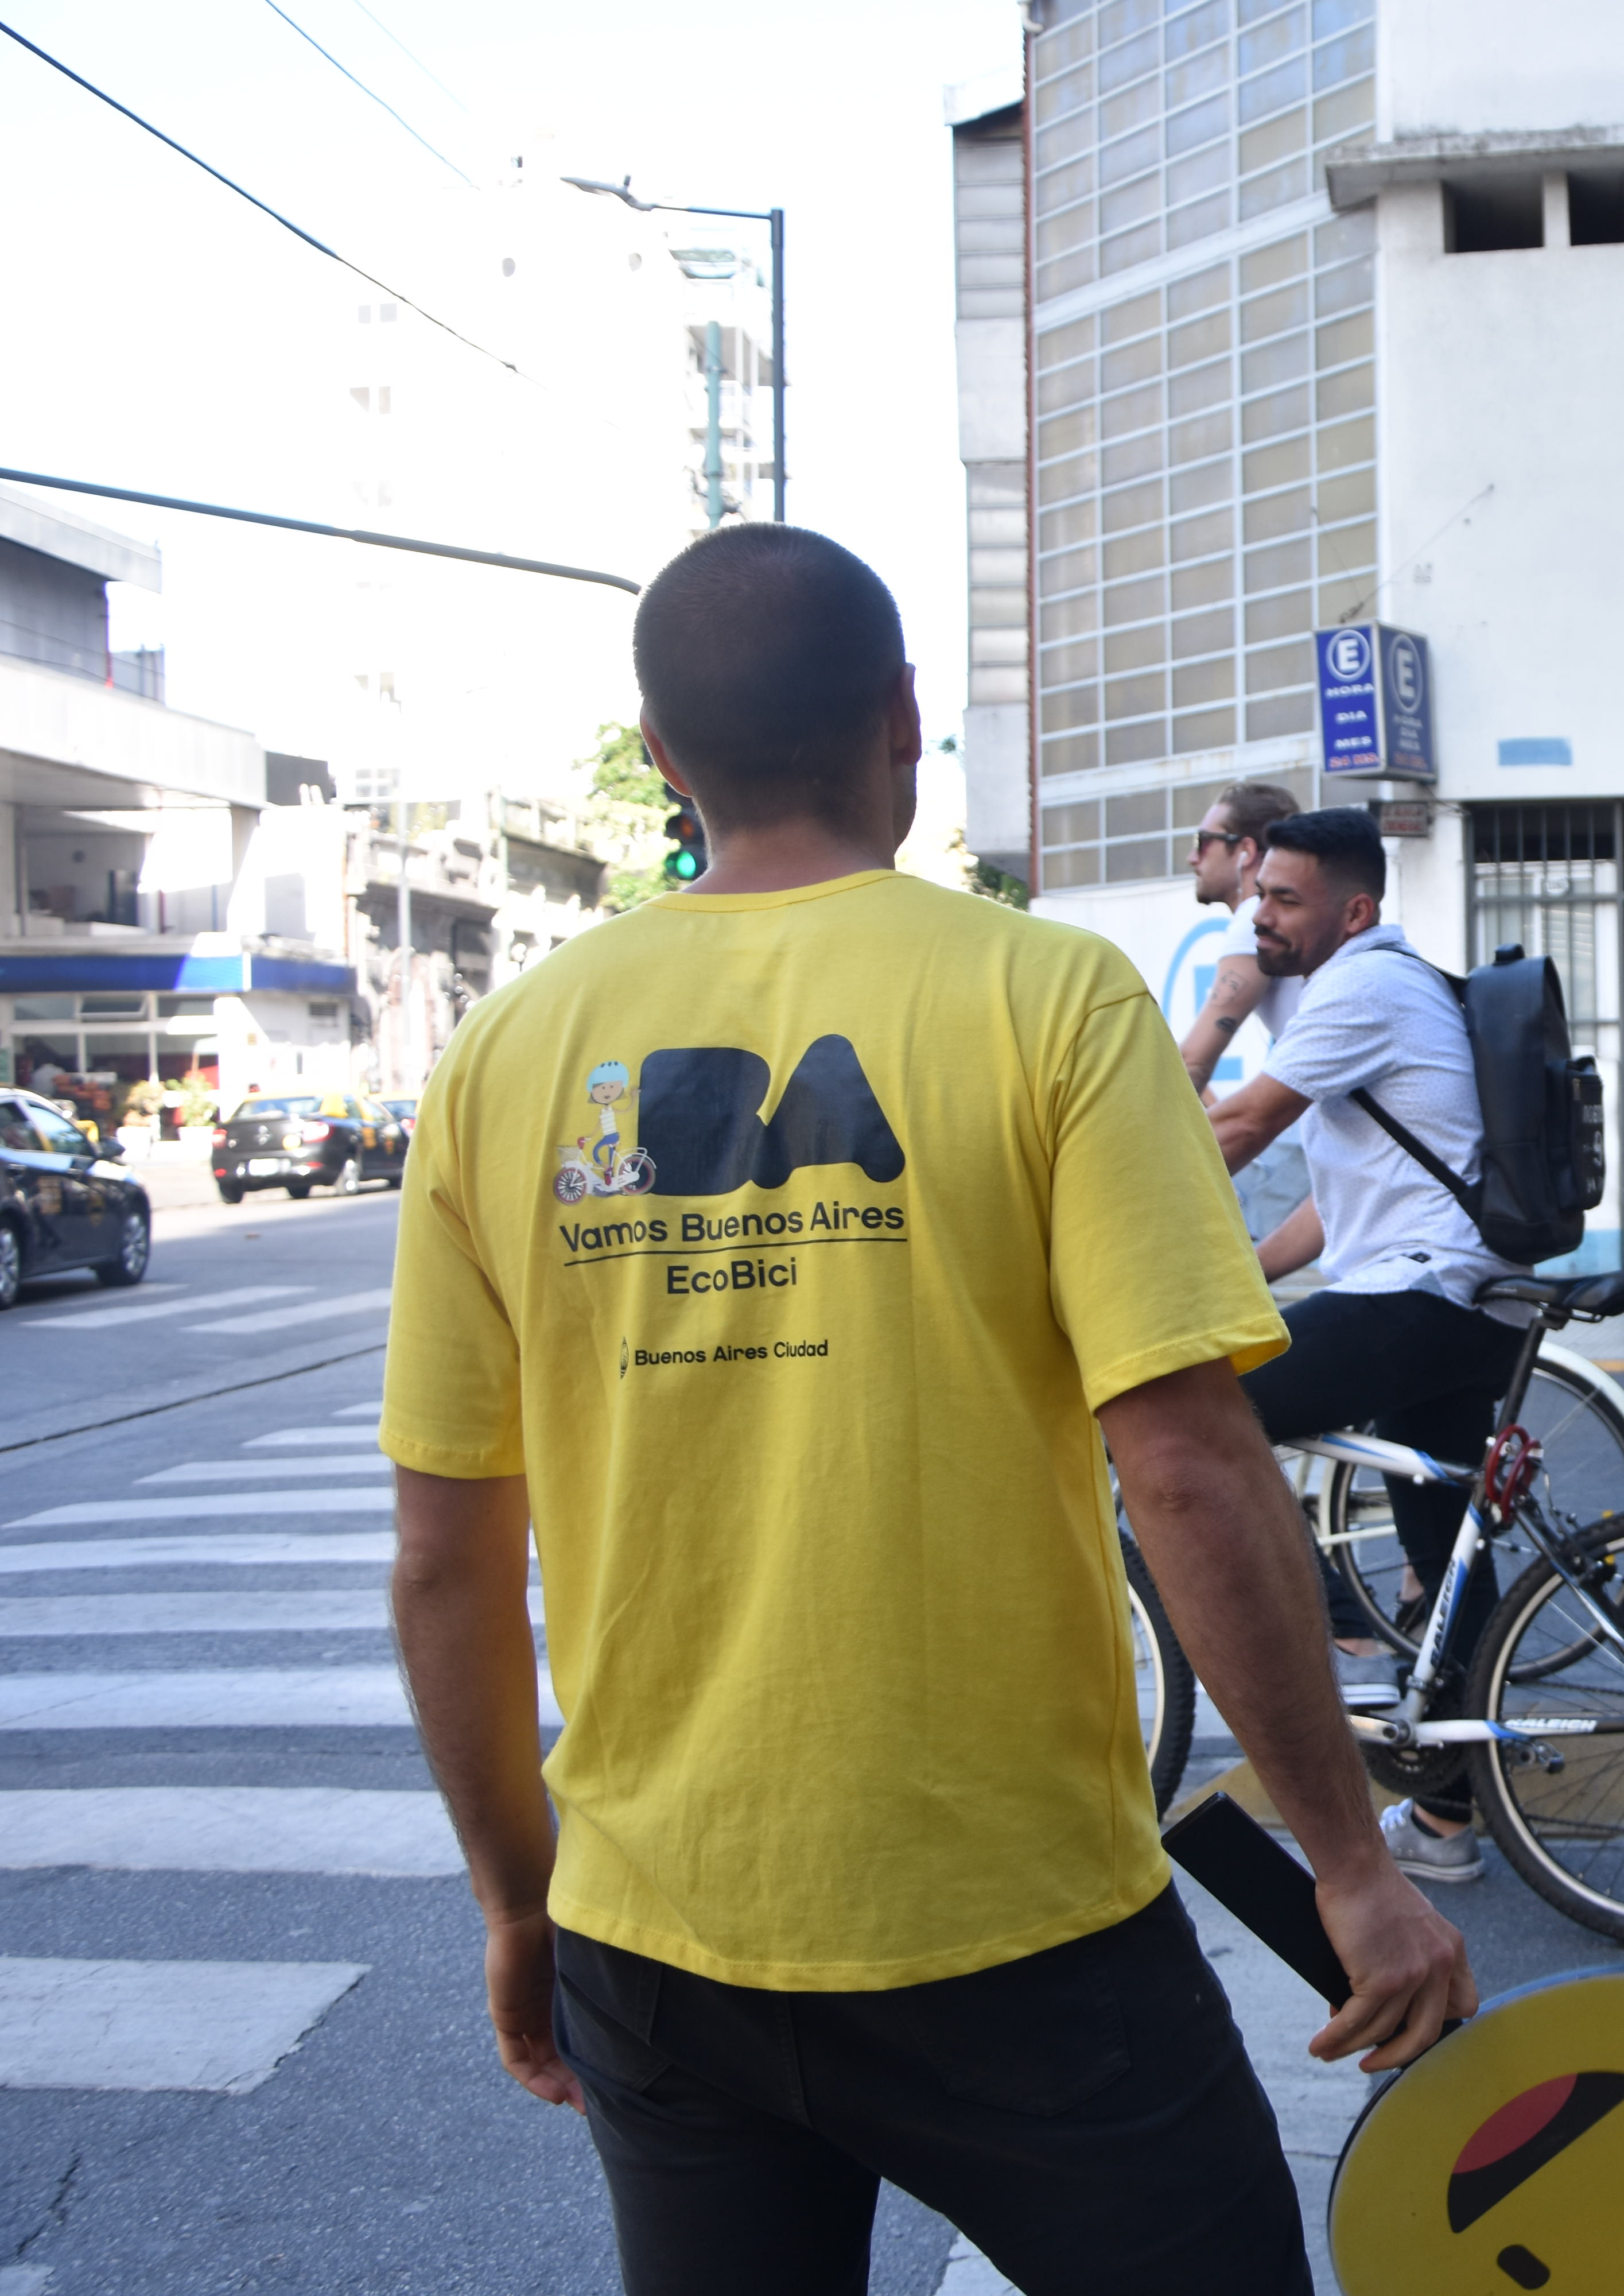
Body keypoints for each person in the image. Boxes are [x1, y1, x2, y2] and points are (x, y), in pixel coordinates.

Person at [382, 526, 1471, 2296]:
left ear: (661, 756)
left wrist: (520, 1902)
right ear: (904, 718)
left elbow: (443, 1559)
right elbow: (1189, 1466)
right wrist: (1350, 1864)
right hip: (1018, 1927)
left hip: (658, 1941)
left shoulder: (503, 1055)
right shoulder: (1047, 994)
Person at [1207, 807, 1536, 1887]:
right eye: (1261, 894)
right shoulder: (1393, 984)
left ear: (1353, 912)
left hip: (1420, 1299)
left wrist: (1091, 1185)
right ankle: (1446, 1822)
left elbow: (1237, 1127)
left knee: (1201, 1417)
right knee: (1444, 1556)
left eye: (1284, 899)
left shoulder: (1359, 989)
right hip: (1466, 1304)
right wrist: (1246, 1272)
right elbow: (1344, 1202)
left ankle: (1326, 1638)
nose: (1263, 915)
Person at [1176, 781, 1311, 1238]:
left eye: (1203, 841)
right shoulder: (1297, 917)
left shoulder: (1255, 918)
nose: (1192, 858)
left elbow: (1193, 1062)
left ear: (1245, 852)